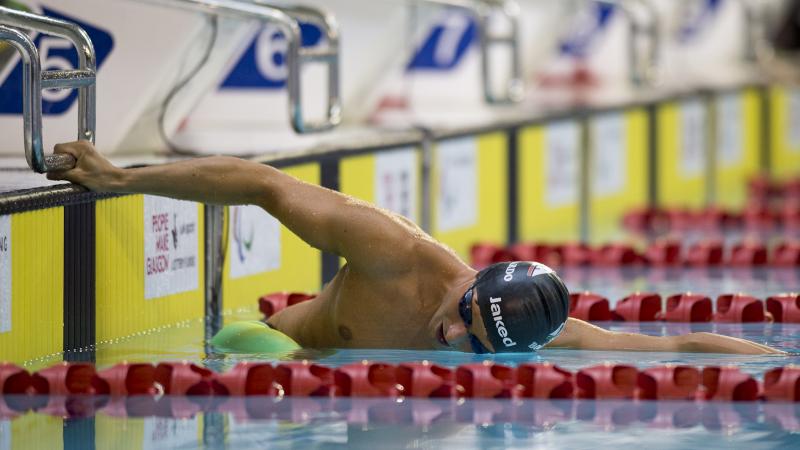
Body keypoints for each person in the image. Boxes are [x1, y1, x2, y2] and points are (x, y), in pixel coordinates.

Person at [48, 141, 784, 355]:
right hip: (259, 352)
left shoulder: (539, 337)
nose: (452, 335)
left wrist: (779, 362)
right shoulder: (392, 250)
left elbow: (676, 346)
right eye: (465, 315)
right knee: (267, 354)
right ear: (471, 284)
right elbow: (263, 184)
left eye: (474, 345)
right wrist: (123, 178)